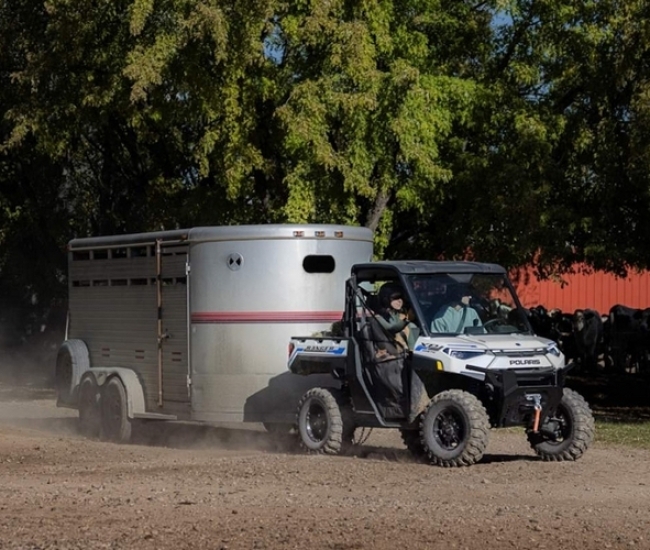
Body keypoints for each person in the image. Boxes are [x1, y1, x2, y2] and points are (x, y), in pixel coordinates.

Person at [375, 285, 420, 350]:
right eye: (395, 298)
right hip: (393, 349)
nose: (399, 301)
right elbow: (391, 329)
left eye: (400, 297)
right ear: (386, 300)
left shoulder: (399, 313)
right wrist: (407, 320)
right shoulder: (379, 316)